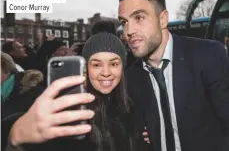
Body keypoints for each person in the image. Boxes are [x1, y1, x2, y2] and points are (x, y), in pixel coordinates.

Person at [117, 0, 229, 151]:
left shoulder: (207, 56)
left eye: (139, 17)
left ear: (163, 19)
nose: (129, 31)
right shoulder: (131, 78)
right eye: (124, 22)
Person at [3, 32, 149, 151]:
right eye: (96, 64)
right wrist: (15, 135)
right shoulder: (70, 112)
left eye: (114, 63)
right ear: (85, 68)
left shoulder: (134, 107)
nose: (106, 72)